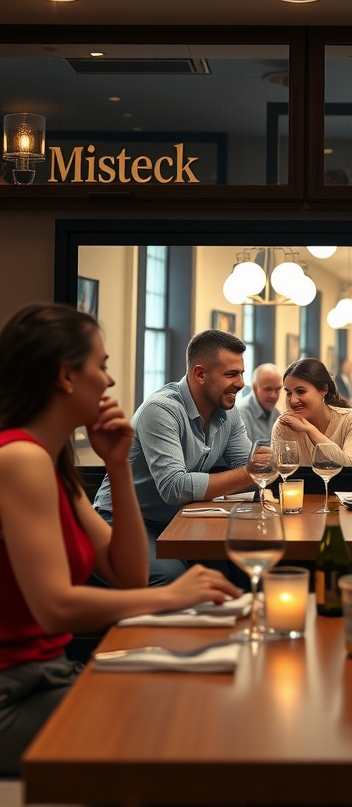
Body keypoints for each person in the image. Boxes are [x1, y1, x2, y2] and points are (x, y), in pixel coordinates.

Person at [0, 303, 241, 776]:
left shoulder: (52, 464)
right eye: (102, 366)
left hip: (45, 678)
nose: (110, 382)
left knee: (197, 705)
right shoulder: (20, 459)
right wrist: (170, 595)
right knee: (187, 722)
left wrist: (116, 463)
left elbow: (126, 573)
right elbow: (54, 607)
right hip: (14, 690)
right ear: (66, 376)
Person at [94, 329, 256, 585]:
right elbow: (175, 487)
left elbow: (248, 467)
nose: (240, 383)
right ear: (200, 374)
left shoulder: (228, 411)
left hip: (179, 519)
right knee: (170, 576)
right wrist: (252, 471)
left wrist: (258, 468)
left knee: (232, 570)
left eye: (241, 373)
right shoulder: (161, 410)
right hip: (124, 519)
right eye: (231, 374)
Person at [272, 357, 352, 466]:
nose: (293, 400)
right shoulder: (284, 426)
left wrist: (310, 430)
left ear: (324, 389)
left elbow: (351, 468)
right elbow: (281, 476)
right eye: (289, 393)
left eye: (301, 391)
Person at [237, 363, 283, 444]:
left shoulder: (277, 414)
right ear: (255, 388)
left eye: (278, 389)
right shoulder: (240, 414)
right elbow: (242, 455)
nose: (273, 395)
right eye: (268, 389)